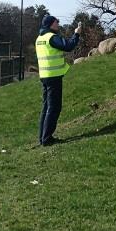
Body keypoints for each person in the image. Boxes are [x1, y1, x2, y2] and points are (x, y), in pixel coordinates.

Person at [35, 13, 82, 146]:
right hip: (53, 77)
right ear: (50, 24)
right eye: (56, 22)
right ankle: (47, 138)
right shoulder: (51, 37)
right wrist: (77, 34)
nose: (58, 24)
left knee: (46, 107)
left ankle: (42, 137)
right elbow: (68, 46)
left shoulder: (39, 38)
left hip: (44, 76)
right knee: (54, 108)